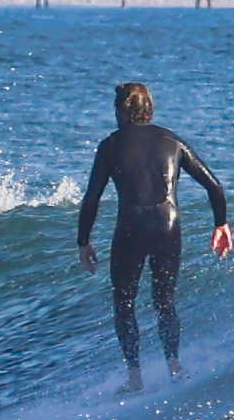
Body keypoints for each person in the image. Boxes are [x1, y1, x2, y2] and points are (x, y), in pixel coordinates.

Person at [78, 82, 231, 393]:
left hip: (130, 230)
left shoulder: (110, 145)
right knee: (165, 302)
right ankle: (175, 367)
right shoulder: (171, 140)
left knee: (124, 304)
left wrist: (83, 241)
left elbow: (92, 198)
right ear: (150, 109)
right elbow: (214, 186)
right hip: (167, 228)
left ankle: (135, 378)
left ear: (121, 110)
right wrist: (221, 225)